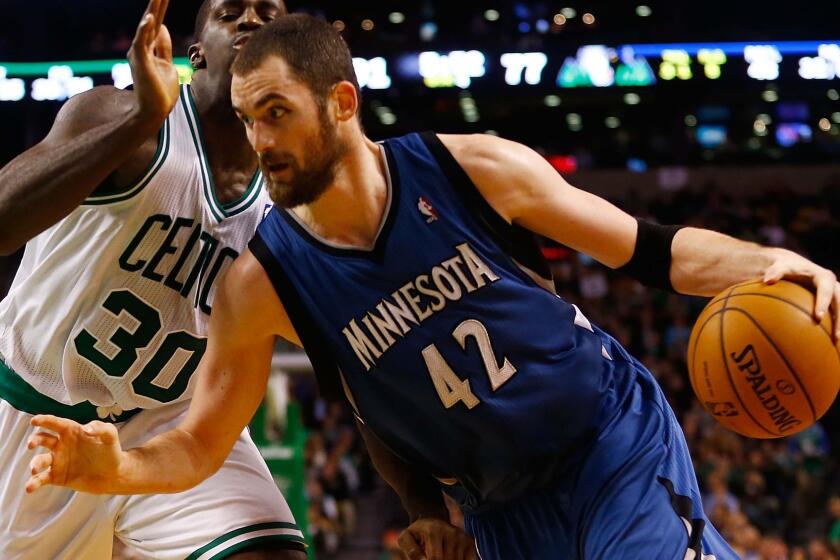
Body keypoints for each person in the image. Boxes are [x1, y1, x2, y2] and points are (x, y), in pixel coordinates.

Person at [24, 15, 840, 560]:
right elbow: (201, 441)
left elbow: (650, 252)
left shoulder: (470, 168)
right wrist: (118, 469)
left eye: (277, 112)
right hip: (498, 511)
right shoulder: (261, 279)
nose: (260, 140)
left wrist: (765, 264)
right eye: (245, 119)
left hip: (607, 446)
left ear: (341, 103)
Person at [0, 1, 311, 558]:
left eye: (269, 12)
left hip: (171, 427)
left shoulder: (293, 197)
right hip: (34, 418)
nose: (251, 21)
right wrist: (137, 119)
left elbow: (351, 348)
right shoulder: (120, 120)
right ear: (196, 54)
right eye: (231, 12)